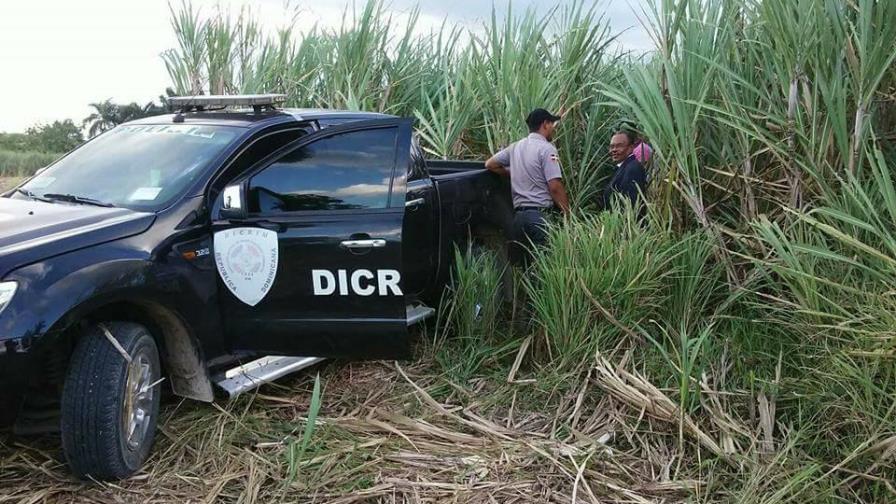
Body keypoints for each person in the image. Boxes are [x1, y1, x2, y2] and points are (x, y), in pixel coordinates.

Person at [485, 108, 570, 266]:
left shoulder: (516, 147)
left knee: (524, 268)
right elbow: (555, 186)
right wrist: (567, 215)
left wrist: (515, 174)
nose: (554, 129)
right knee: (545, 267)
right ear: (545, 124)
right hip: (539, 217)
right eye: (552, 124)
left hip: (518, 219)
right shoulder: (547, 149)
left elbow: (490, 164)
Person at [600, 129, 648, 214]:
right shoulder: (624, 167)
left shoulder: (632, 169)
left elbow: (632, 205)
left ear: (631, 147)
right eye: (612, 146)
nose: (614, 150)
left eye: (619, 146)